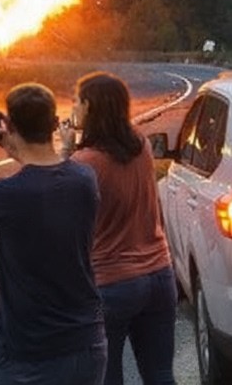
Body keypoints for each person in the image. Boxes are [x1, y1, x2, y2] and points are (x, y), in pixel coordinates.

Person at [0, 82, 107, 385]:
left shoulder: (4, 194)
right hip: (86, 344)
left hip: (30, 354)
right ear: (54, 123)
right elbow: (47, 171)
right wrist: (16, 144)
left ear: (10, 126)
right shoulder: (84, 178)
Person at [63, 71, 176, 385]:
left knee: (106, 377)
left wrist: (66, 151)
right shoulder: (140, 143)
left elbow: (63, 208)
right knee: (160, 374)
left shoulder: (85, 163)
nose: (72, 106)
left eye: (76, 100)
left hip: (112, 284)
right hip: (158, 275)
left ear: (89, 106)